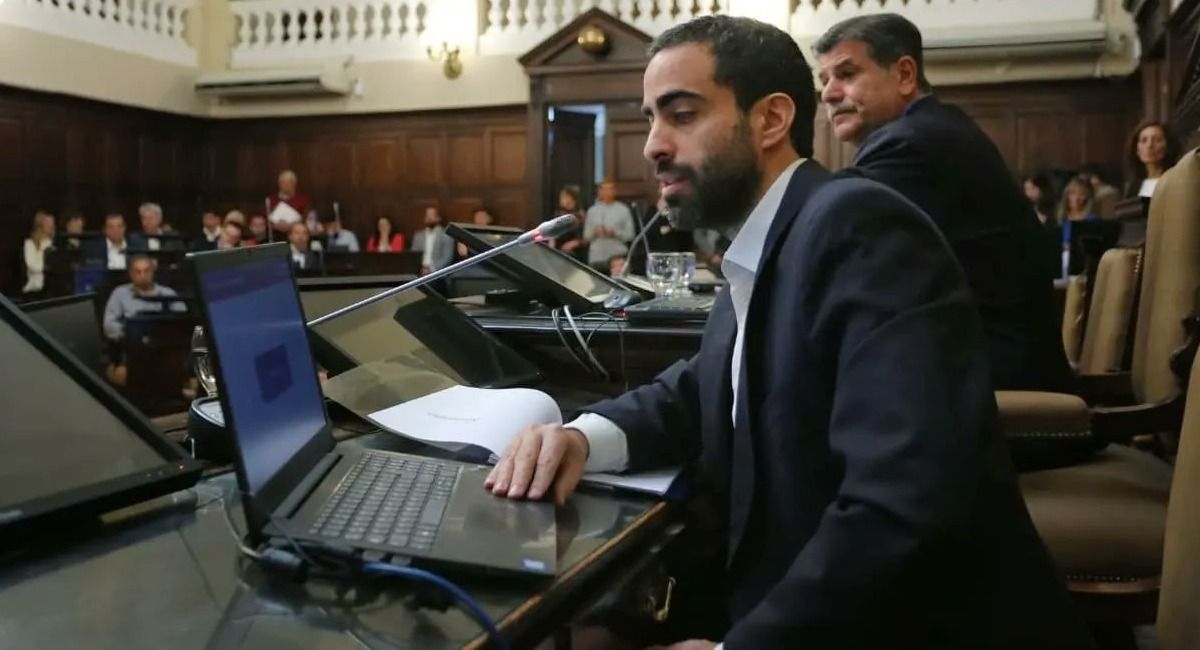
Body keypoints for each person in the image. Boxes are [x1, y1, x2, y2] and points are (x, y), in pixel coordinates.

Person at [488, 15, 1088, 649]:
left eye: (682, 115)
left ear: (771, 120)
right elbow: (703, 387)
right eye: (651, 118)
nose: (653, 145)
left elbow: (903, 504)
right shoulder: (773, 235)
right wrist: (581, 438)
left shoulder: (860, 226)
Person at [814, 13, 1073, 393]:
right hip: (992, 362)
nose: (828, 94)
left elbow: (823, 243)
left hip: (993, 382)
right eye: (824, 80)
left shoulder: (912, 144)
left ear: (905, 75)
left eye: (847, 74)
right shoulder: (931, 128)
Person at [101, 255, 185, 386]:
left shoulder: (168, 294)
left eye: (146, 271)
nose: (143, 275)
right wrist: (130, 334)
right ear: (131, 274)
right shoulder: (120, 294)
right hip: (131, 351)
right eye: (138, 272)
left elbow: (183, 321)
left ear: (153, 272)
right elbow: (109, 325)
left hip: (164, 350)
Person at [583, 180, 636, 271]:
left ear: (615, 191)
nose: (606, 192)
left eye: (610, 189)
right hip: (597, 257)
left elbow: (630, 235)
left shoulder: (623, 210)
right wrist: (595, 232)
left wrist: (614, 233)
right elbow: (586, 236)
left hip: (618, 256)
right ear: (599, 192)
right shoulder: (592, 211)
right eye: (603, 189)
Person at [1124, 120, 1182, 198]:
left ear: (1168, 146)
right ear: (1137, 150)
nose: (1149, 145)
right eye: (1144, 140)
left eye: (1157, 140)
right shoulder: (1134, 187)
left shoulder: (1177, 181)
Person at [547, 185, 587, 259]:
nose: (560, 199)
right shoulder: (558, 214)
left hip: (575, 253)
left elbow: (585, 237)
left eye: (563, 197)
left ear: (571, 198)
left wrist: (574, 243)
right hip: (557, 251)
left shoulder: (580, 216)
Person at [266, 170, 311, 234]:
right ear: (279, 184)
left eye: (289, 182)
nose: (286, 185)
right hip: (274, 233)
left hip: (296, 233)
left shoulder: (303, 200)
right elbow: (266, 219)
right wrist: (275, 225)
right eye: (283, 182)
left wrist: (292, 225)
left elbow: (306, 218)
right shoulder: (271, 199)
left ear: (294, 184)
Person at [411, 206, 453, 274]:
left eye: (432, 215)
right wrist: (420, 269)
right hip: (419, 271)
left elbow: (447, 258)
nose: (429, 218)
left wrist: (432, 269)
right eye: (427, 216)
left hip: (438, 272)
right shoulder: (418, 236)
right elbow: (413, 256)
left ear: (438, 218)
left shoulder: (446, 235)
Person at [22, 211, 55, 294]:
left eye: (52, 223)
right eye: (48, 223)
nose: (51, 226)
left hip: (52, 287)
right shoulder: (30, 243)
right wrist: (47, 269)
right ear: (40, 225)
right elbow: (32, 265)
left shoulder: (55, 244)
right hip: (35, 289)